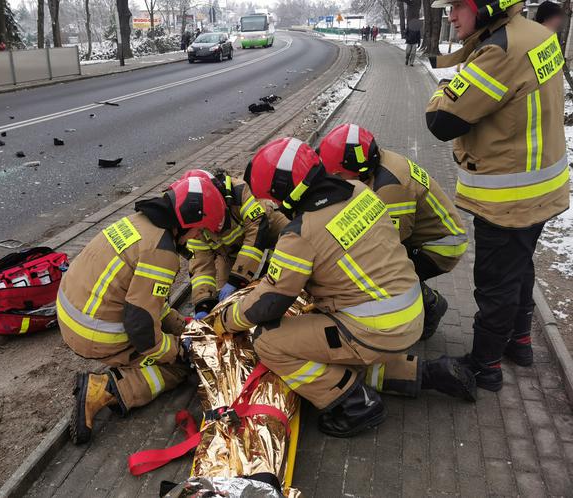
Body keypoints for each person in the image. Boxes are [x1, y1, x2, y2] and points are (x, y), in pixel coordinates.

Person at [212, 138, 476, 438]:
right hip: (410, 310)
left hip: (376, 329)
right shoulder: (360, 191)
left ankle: (355, 403)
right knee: (336, 351)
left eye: (272, 198)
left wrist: (225, 320)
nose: (274, 206)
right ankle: (428, 374)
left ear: (286, 190)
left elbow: (270, 303)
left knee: (269, 341)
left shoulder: (300, 234)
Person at [426, 0, 569, 391]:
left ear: (486, 6)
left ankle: (484, 367)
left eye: (457, 6)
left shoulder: (499, 51)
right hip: (539, 186)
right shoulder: (537, 34)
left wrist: (443, 89)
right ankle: (519, 342)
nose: (451, 16)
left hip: (510, 195)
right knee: (518, 268)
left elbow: (441, 121)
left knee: (494, 282)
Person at [58, 176, 227, 444]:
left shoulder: (139, 223)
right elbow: (142, 330)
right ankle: (103, 389)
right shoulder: (162, 253)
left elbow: (142, 300)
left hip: (73, 314)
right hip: (96, 334)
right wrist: (177, 351)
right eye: (199, 230)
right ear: (187, 221)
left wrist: (180, 326)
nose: (198, 237)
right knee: (177, 369)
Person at [317, 123, 468, 340]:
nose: (338, 180)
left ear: (357, 169)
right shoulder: (376, 163)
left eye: (339, 175)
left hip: (442, 246)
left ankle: (430, 307)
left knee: (386, 275)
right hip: (424, 236)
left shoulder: (391, 188)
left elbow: (386, 245)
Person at [181, 169, 288, 318]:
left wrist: (236, 279)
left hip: (269, 233)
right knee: (223, 304)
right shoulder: (194, 223)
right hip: (231, 254)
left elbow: (257, 232)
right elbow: (201, 267)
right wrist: (203, 304)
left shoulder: (239, 192)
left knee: (293, 251)